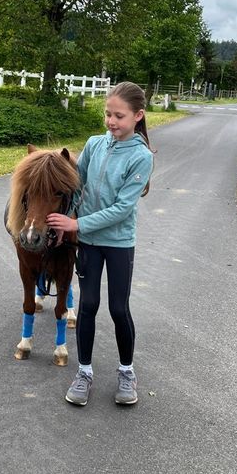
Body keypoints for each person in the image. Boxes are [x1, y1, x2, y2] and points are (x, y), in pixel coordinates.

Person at [46, 81, 154, 407]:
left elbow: (122, 209)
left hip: (119, 244)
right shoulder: (94, 144)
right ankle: (84, 373)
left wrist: (76, 223)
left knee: (118, 308)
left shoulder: (141, 156)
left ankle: (126, 373)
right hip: (89, 242)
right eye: (108, 114)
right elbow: (78, 188)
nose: (111, 121)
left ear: (138, 116)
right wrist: (68, 223)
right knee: (89, 306)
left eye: (118, 116)